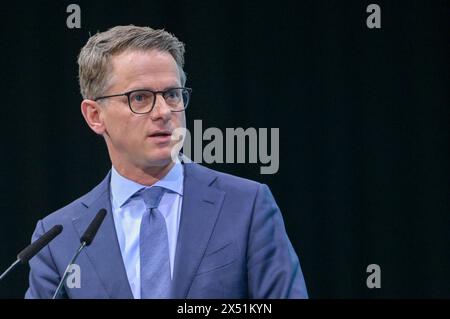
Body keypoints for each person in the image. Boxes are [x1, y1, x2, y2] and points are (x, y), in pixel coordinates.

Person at [25, 25, 308, 299]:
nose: (163, 112)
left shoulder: (247, 206)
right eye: (139, 97)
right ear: (95, 116)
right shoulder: (57, 239)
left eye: (172, 94)